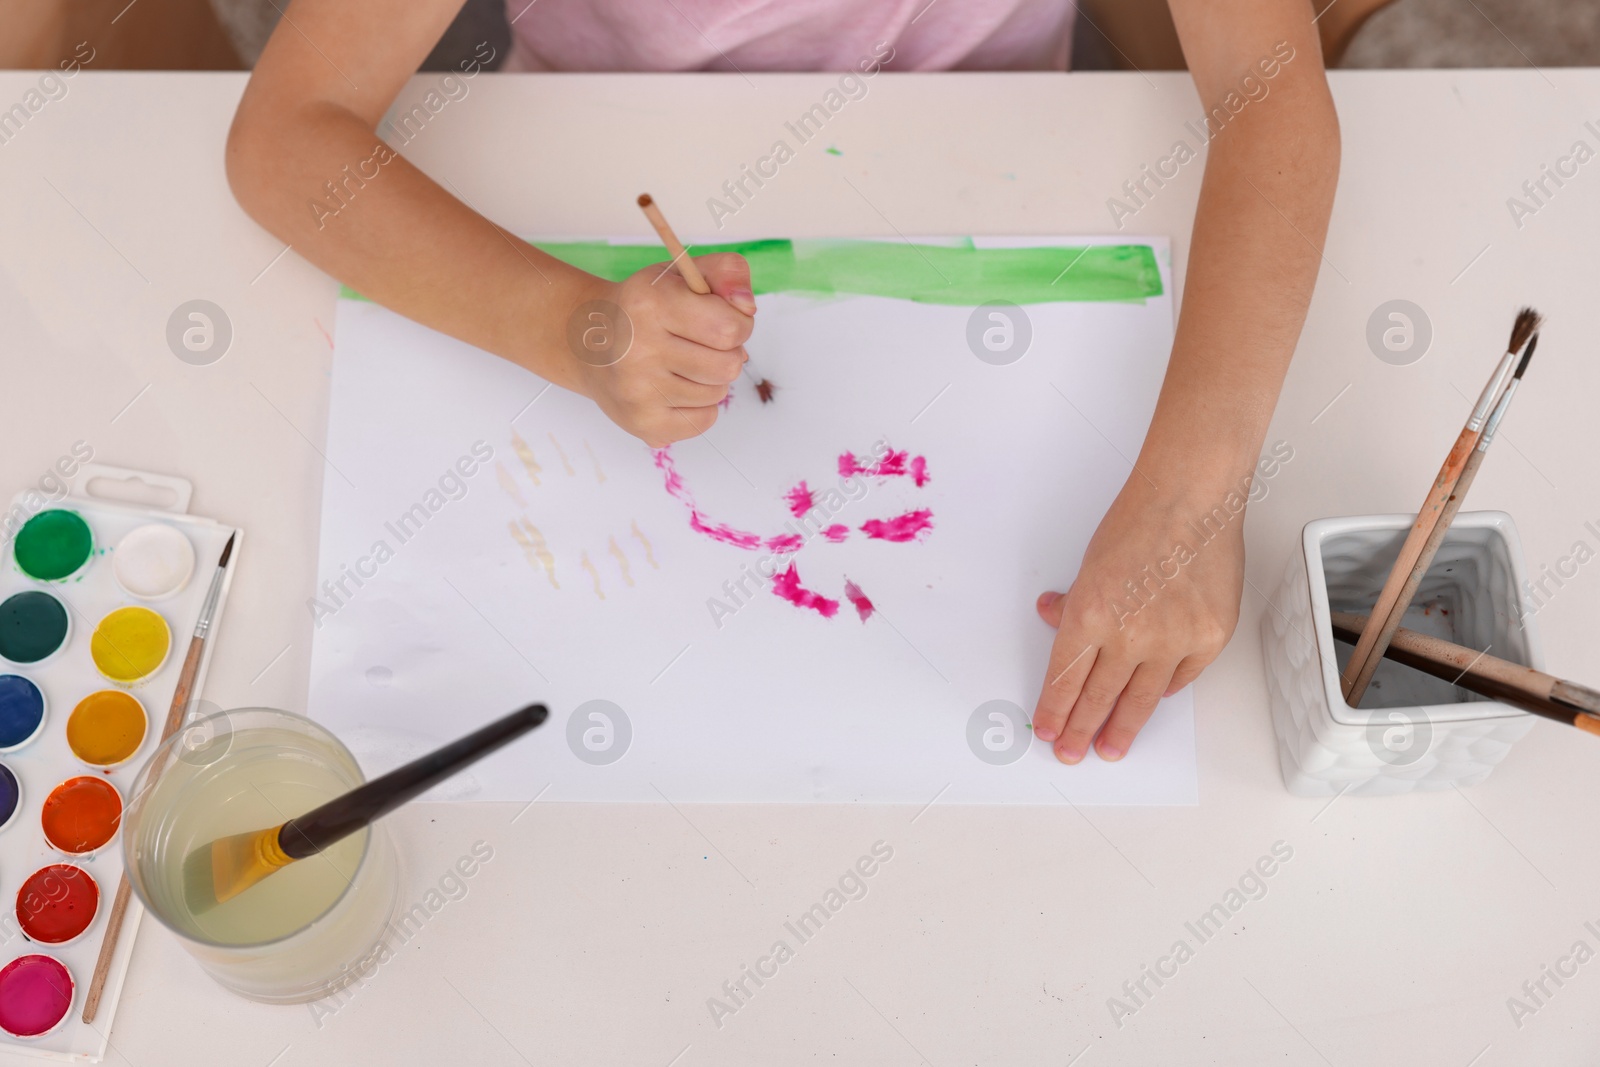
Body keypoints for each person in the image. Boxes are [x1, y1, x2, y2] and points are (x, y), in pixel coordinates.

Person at [227, 0, 1340, 766]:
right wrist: (567, 325)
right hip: (588, 169)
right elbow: (287, 138)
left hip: (999, 161)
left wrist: (1195, 493)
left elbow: (1270, 92)